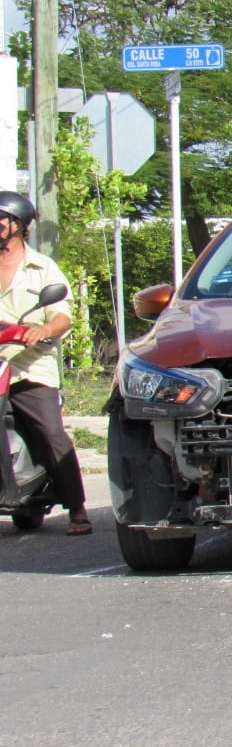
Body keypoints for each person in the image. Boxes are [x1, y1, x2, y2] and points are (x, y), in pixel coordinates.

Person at [0, 192, 90, 536]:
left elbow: (62, 318)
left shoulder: (42, 268)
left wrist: (42, 330)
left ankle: (77, 508)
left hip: (28, 367)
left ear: (19, 225)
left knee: (51, 434)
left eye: (0, 219)